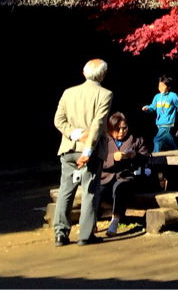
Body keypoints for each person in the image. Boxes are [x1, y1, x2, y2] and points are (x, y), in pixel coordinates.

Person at [52, 59, 113, 247]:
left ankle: (60, 234)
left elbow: (58, 120)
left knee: (65, 191)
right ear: (103, 75)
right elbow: (98, 123)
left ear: (83, 72)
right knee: (89, 192)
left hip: (68, 149)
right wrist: (87, 148)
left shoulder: (68, 93)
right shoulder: (105, 94)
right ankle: (85, 235)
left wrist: (75, 134)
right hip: (91, 152)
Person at [99, 112, 150, 237]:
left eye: (124, 128)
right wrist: (112, 158)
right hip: (106, 176)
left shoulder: (136, 140)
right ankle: (93, 219)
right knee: (97, 190)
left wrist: (135, 156)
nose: (121, 132)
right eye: (117, 129)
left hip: (126, 176)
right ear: (110, 129)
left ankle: (115, 221)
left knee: (120, 188)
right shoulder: (104, 140)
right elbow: (98, 160)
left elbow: (145, 157)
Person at [142, 75, 178, 153]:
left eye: (163, 86)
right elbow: (153, 107)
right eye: (159, 86)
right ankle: (176, 153)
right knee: (168, 141)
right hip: (159, 124)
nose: (161, 88)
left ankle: (154, 159)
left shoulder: (173, 96)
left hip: (166, 124)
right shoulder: (157, 97)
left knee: (157, 140)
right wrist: (147, 108)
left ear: (168, 86)